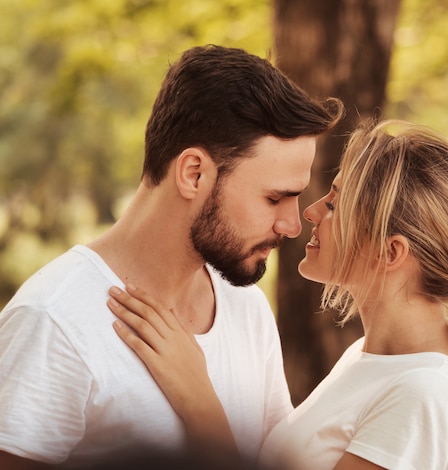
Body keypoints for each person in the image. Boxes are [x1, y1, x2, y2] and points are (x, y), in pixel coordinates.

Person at [0, 44, 343, 468]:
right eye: (275, 198)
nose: (291, 225)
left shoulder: (246, 309)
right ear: (193, 173)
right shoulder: (54, 321)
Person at [107, 118, 448, 470]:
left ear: (390, 252)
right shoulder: (370, 360)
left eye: (335, 205)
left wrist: (199, 403)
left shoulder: (424, 393)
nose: (311, 211)